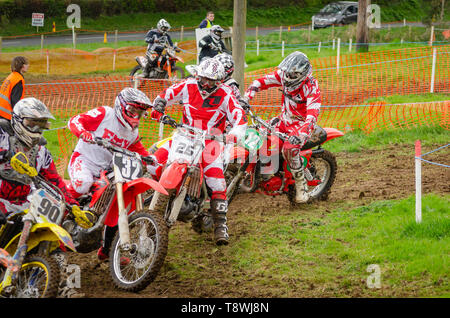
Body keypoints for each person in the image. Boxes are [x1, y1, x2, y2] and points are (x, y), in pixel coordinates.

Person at [0, 97, 94, 297]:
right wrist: (4, 155)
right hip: (1, 197)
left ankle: (61, 285)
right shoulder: (3, 137)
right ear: (18, 120)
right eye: (31, 123)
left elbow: (56, 181)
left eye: (40, 124)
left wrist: (73, 205)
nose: (35, 129)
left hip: (23, 202)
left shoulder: (41, 151)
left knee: (49, 239)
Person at [150, 58, 247, 245]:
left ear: (219, 81)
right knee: (153, 161)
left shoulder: (226, 95)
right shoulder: (187, 86)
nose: (206, 84)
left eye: (211, 81)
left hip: (211, 141)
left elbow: (239, 117)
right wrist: (160, 104)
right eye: (203, 79)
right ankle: (149, 201)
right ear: (198, 75)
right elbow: (166, 94)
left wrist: (233, 135)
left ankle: (221, 225)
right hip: (184, 136)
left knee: (216, 180)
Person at [66, 87, 153, 261]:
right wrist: (83, 133)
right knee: (83, 184)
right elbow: (75, 120)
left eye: (139, 113)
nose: (135, 115)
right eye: (133, 110)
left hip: (106, 171)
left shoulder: (132, 132)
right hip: (83, 161)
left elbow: (140, 151)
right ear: (122, 105)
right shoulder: (105, 114)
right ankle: (62, 203)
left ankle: (108, 250)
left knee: (118, 203)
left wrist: (153, 160)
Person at [244, 51, 323, 204]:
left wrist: (300, 135)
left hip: (301, 126)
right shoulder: (283, 75)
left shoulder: (311, 87)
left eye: (292, 76)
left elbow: (312, 115)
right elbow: (259, 82)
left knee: (289, 148)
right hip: (283, 120)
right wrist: (246, 98)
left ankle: (302, 186)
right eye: (287, 73)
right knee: (255, 135)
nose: (287, 78)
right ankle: (257, 172)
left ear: (303, 74)